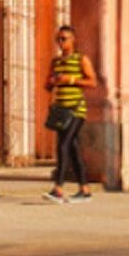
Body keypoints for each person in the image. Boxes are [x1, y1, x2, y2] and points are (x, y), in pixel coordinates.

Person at [46, 25, 96, 203]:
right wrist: (52, 82)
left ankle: (58, 188)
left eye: (64, 39)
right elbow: (47, 85)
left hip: (76, 110)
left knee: (63, 145)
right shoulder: (56, 62)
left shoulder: (81, 59)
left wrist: (71, 79)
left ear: (73, 40)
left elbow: (92, 82)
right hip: (61, 110)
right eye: (58, 39)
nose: (61, 42)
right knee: (73, 150)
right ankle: (85, 189)